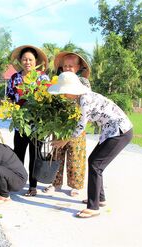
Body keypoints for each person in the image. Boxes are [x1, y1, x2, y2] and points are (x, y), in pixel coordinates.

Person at [48, 72, 133, 218]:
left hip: (120, 132)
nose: (63, 95)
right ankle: (99, 198)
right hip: (113, 132)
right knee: (94, 162)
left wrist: (64, 141)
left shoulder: (84, 99)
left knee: (95, 164)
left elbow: (81, 126)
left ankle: (93, 207)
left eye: (63, 92)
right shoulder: (82, 97)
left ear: (70, 90)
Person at [43, 51, 91, 197]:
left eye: (71, 66)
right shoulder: (59, 81)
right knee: (57, 152)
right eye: (65, 66)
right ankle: (54, 183)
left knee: (76, 155)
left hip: (77, 124)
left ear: (78, 67)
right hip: (60, 123)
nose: (68, 68)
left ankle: (75, 186)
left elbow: (85, 107)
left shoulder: (83, 83)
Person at [6, 45, 50, 197]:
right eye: (24, 59)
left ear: (36, 61)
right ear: (20, 61)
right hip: (20, 125)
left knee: (35, 156)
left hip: (38, 125)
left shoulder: (43, 78)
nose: (27, 62)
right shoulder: (14, 78)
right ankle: (16, 182)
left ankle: (32, 186)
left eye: (30, 59)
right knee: (18, 155)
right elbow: (10, 98)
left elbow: (48, 100)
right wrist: (13, 111)